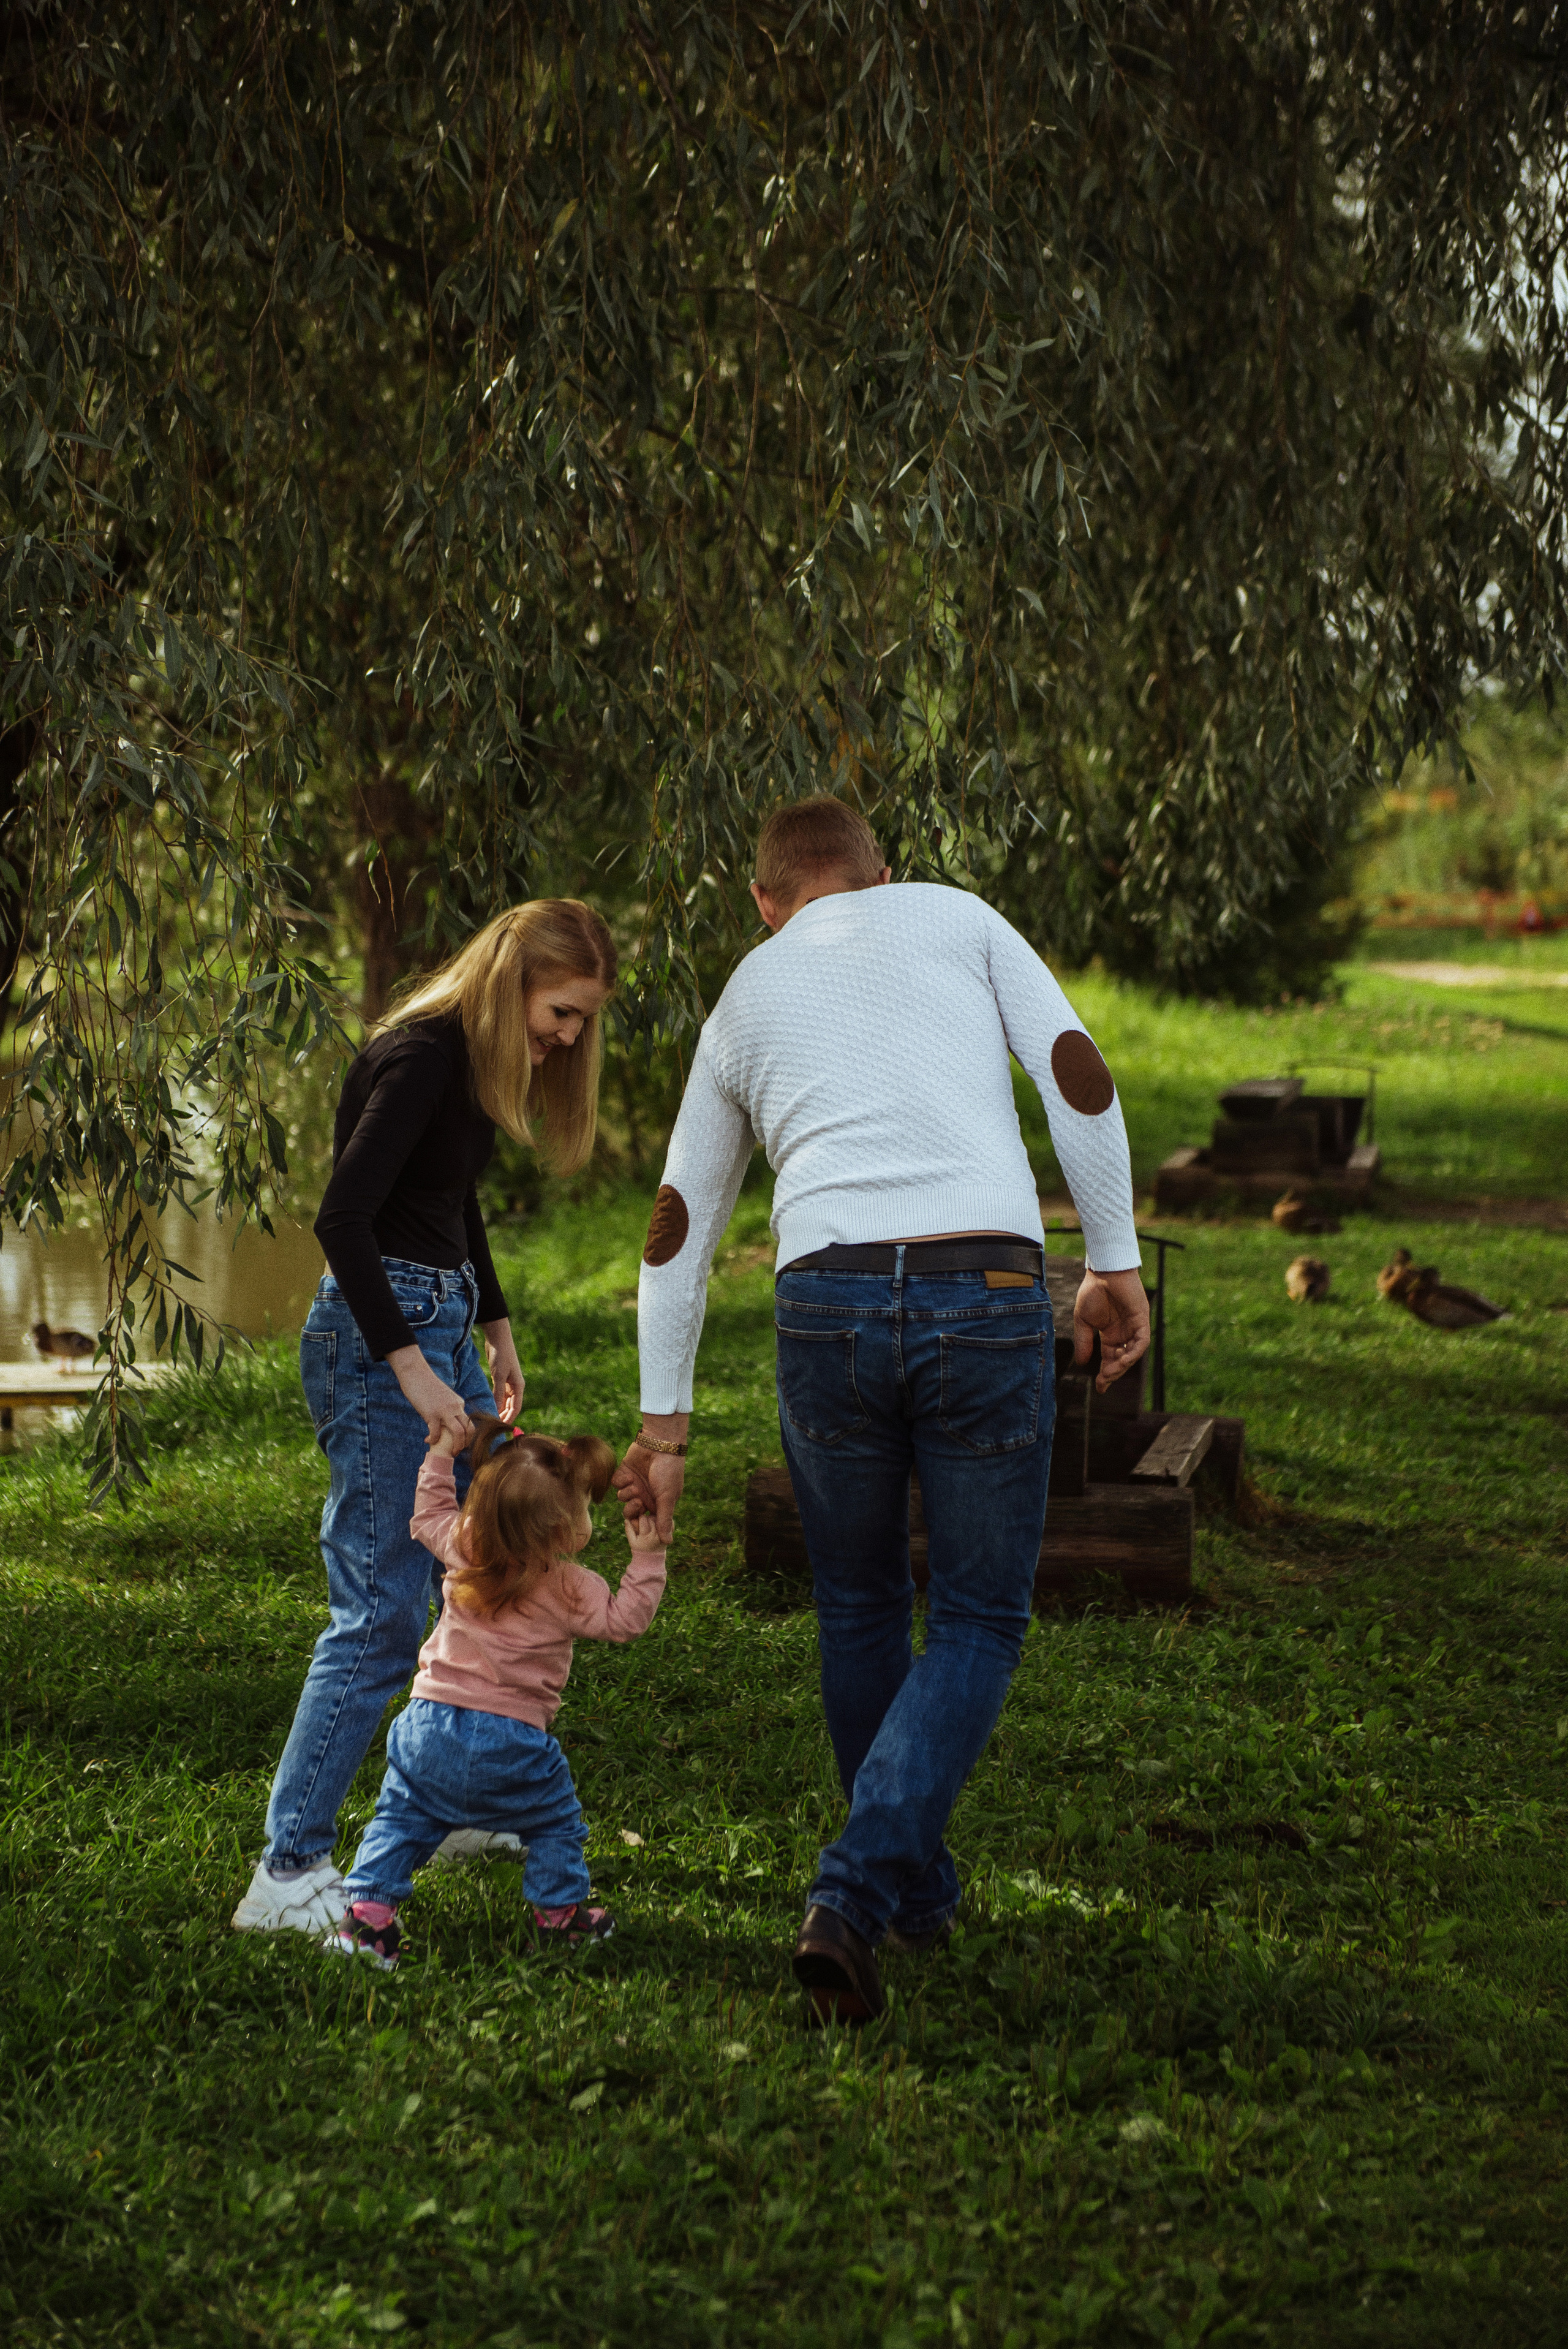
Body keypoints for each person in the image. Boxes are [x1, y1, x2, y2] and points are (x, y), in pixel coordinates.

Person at [617, 798, 1148, 2022]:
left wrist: (665, 1430)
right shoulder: (956, 918)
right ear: (883, 874)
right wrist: (1111, 1260)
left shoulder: (746, 991)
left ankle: (906, 1899)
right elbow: (1077, 1070)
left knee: (856, 1602)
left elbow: (676, 1223)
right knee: (974, 1618)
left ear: (764, 898)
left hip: (826, 1307)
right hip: (988, 1286)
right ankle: (857, 1894)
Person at [233, 900, 617, 1937]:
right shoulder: (420, 1056)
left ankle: (442, 1804)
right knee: (381, 1611)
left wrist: (492, 1323)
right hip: (378, 1338)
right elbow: (343, 1215)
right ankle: (289, 1867)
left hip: (438, 1311)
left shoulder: (472, 1064)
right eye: (563, 1010)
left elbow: (450, 1198)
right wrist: (407, 1362)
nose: (569, 1037)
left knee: (459, 1574)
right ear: (514, 976)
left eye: (582, 1020)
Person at [327, 1417, 667, 1969]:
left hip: (426, 1725)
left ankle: (366, 1920)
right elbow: (626, 1620)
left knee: (401, 1818)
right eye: (583, 1507)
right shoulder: (571, 1586)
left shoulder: (464, 1545)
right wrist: (648, 1558)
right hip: (512, 1740)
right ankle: (560, 1919)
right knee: (555, 1822)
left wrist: (440, 1456)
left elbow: (427, 1515)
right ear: (561, 1530)